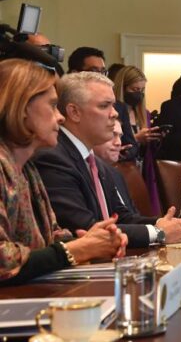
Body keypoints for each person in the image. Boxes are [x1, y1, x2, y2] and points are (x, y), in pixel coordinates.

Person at [33, 72, 181, 248]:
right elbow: (87, 228)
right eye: (104, 106)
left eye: (114, 105)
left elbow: (122, 217)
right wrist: (158, 233)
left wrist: (164, 224)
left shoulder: (97, 163)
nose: (115, 113)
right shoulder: (52, 157)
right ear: (74, 112)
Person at [0, 59, 125, 284]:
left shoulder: (27, 167)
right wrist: (77, 250)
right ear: (21, 108)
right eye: (52, 105)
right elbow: (3, 260)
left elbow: (52, 235)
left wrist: (93, 240)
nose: (60, 116)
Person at [94, 119, 181, 242]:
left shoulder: (115, 174)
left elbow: (129, 219)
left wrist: (163, 223)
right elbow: (99, 230)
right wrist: (160, 233)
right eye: (112, 135)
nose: (118, 142)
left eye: (120, 136)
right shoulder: (83, 173)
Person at [112, 65, 162, 214]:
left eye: (141, 90)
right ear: (123, 87)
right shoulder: (115, 111)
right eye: (135, 90)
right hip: (122, 167)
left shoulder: (143, 113)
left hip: (142, 168)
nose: (139, 94)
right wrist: (136, 139)